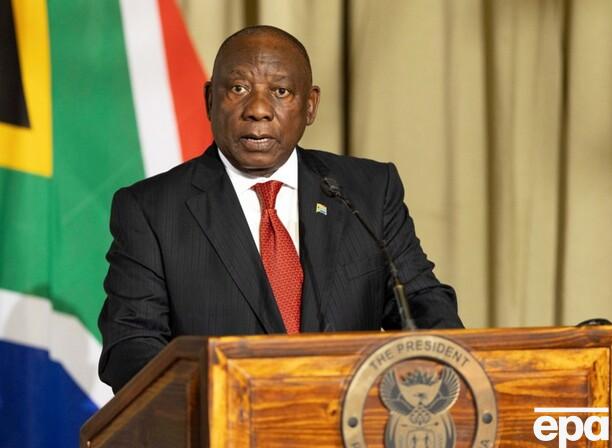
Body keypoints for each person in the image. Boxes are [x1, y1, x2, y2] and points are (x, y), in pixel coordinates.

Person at [98, 25, 463, 393]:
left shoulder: (367, 192)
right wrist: (212, 403)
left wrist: (453, 376)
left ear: (310, 105)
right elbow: (131, 346)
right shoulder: (152, 210)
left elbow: (421, 302)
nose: (258, 110)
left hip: (352, 420)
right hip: (220, 422)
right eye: (238, 89)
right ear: (210, 99)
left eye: (280, 91)